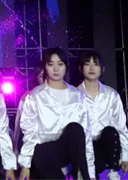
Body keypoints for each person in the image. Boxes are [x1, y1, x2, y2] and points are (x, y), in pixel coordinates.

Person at [19, 48, 95, 180]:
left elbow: (86, 134)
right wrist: (25, 165)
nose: (55, 69)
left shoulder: (77, 95)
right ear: (45, 67)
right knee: (43, 151)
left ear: (66, 67)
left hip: (66, 151)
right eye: (51, 64)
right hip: (43, 152)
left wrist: (91, 172)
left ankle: (82, 175)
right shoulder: (35, 96)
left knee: (76, 129)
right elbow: (29, 132)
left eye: (60, 64)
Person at [77, 51, 128, 180]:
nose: (91, 68)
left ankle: (113, 172)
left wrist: (126, 157)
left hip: (105, 144)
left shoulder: (111, 95)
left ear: (102, 69)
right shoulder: (74, 94)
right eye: (87, 64)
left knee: (110, 131)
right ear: (81, 68)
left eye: (96, 64)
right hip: (84, 146)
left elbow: (120, 126)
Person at [13, 62, 45, 155]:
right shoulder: (27, 97)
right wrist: (15, 149)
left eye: (47, 76)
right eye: (41, 76)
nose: (44, 79)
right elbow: (18, 126)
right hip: (33, 147)